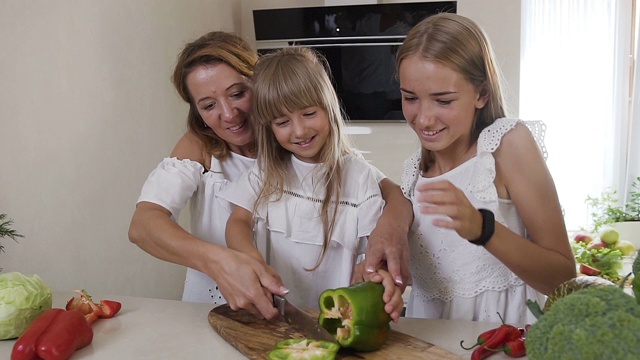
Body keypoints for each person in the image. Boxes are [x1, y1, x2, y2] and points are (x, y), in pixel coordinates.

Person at [128, 31, 411, 320]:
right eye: (209, 105)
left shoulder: (316, 157)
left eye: (238, 93)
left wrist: (390, 233)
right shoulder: (201, 145)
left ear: (262, 85)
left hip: (290, 314)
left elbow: (393, 194)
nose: (229, 114)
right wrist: (221, 261)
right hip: (214, 309)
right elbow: (143, 225)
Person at [396, 13, 576, 324]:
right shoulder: (412, 172)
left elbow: (563, 279)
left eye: (443, 100)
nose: (423, 119)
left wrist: (483, 228)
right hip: (427, 346)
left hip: (501, 343)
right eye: (410, 98)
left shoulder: (506, 145)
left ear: (482, 94)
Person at [220, 46, 404, 321]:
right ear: (269, 127)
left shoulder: (359, 175)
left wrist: (373, 272)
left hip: (341, 320)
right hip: (275, 319)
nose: (300, 130)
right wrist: (251, 261)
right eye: (283, 121)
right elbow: (238, 222)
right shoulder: (267, 172)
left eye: (308, 114)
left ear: (328, 107)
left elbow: (374, 250)